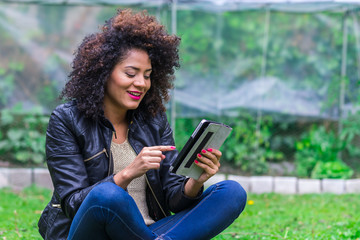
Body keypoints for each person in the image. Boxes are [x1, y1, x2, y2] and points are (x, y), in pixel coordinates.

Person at [38, 9, 247, 240]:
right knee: (108, 194)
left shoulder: (153, 118)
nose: (141, 83)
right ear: (103, 72)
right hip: (91, 234)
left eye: (147, 75)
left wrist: (195, 181)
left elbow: (173, 198)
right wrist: (128, 173)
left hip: (149, 232)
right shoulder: (66, 119)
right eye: (131, 73)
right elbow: (73, 203)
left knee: (231, 192)